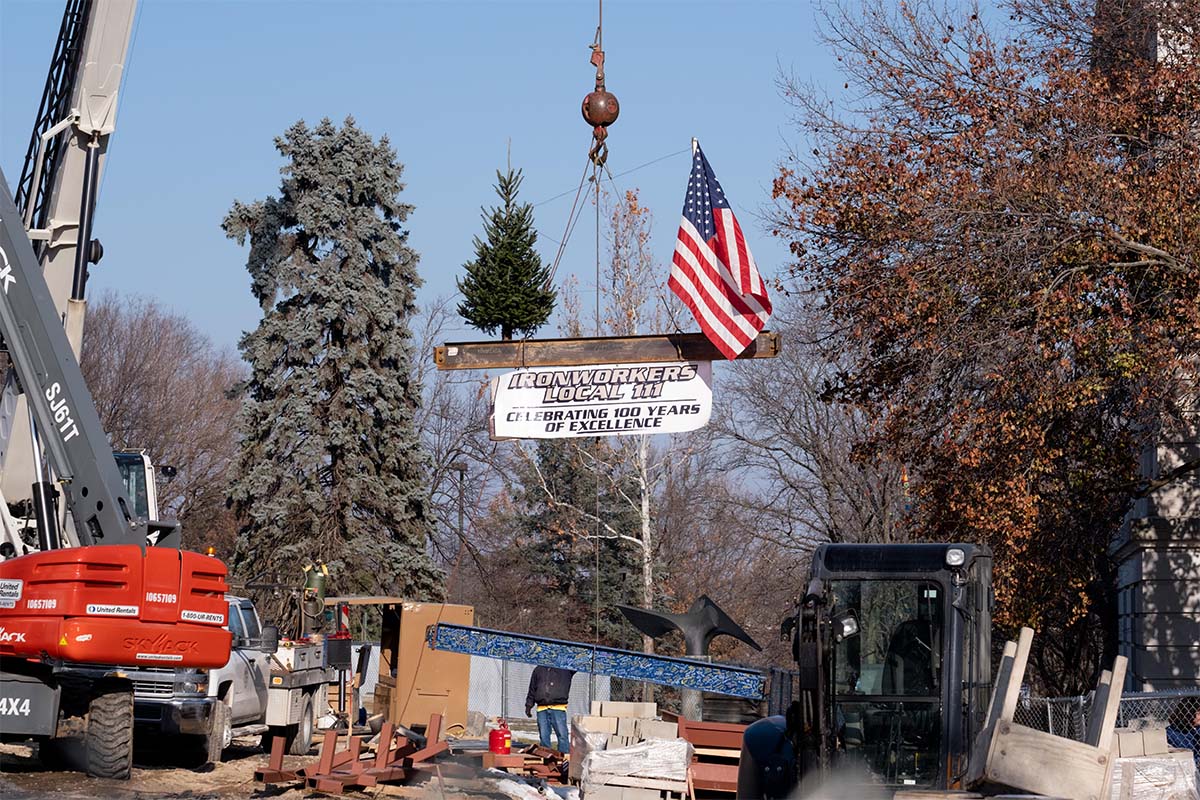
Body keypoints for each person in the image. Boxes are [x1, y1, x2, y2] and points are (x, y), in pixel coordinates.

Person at [524, 665, 575, 753]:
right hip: (542, 708)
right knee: (544, 735)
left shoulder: (566, 668)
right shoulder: (538, 669)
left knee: (562, 734)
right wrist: (529, 705)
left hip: (558, 707)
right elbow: (532, 688)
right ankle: (546, 755)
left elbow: (578, 662)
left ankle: (564, 757)